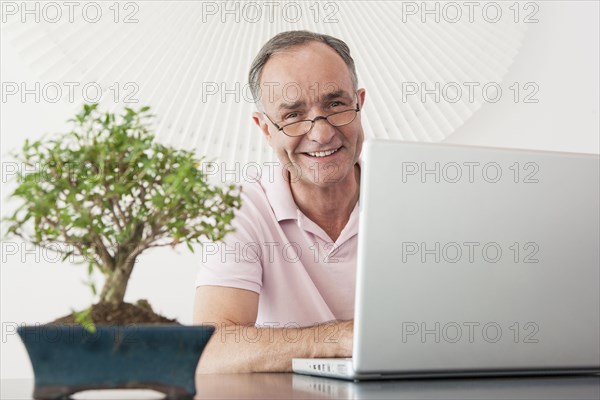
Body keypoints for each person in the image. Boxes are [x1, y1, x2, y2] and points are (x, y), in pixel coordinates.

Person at [193, 30, 366, 373]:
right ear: (265, 128)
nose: (321, 133)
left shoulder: (413, 195)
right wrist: (338, 338)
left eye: (335, 104)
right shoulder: (242, 209)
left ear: (359, 102)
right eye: (293, 115)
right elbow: (209, 349)